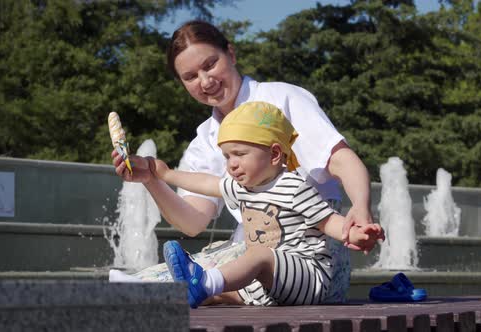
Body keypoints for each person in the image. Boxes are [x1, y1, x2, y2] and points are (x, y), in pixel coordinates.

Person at [111, 20, 376, 304]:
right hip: (254, 254)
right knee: (195, 276)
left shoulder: (280, 99)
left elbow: (340, 160)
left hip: (308, 258)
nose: (205, 81)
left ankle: (145, 288)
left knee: (204, 274)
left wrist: (360, 209)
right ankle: (143, 289)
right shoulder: (204, 140)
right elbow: (193, 220)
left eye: (210, 64)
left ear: (231, 54)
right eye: (190, 76)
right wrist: (153, 178)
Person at [152, 101, 384, 308]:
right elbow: (206, 182)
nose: (231, 164)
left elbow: (329, 221)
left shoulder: (294, 187)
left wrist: (355, 234)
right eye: (227, 156)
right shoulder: (242, 187)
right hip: (271, 282)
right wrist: (166, 174)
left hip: (308, 278)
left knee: (258, 256)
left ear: (274, 154)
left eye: (239, 154)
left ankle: (202, 280)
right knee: (223, 291)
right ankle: (181, 294)